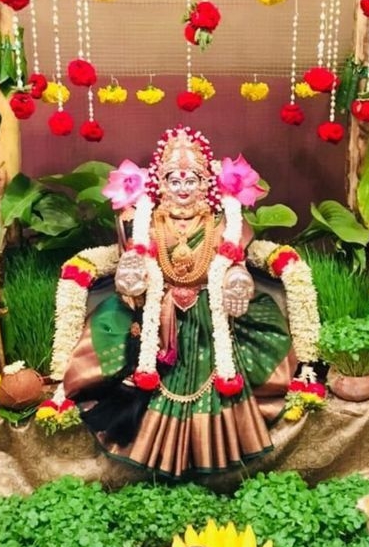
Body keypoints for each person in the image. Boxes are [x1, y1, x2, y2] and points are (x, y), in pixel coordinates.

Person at [50, 125, 309, 480]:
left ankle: (211, 449)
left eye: (191, 180)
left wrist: (237, 281)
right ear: (161, 183)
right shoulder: (140, 221)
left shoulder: (224, 222)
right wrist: (131, 279)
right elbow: (133, 269)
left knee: (245, 351)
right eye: (174, 180)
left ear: (205, 184)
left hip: (210, 312)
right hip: (156, 312)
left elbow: (235, 263)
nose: (183, 187)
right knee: (114, 343)